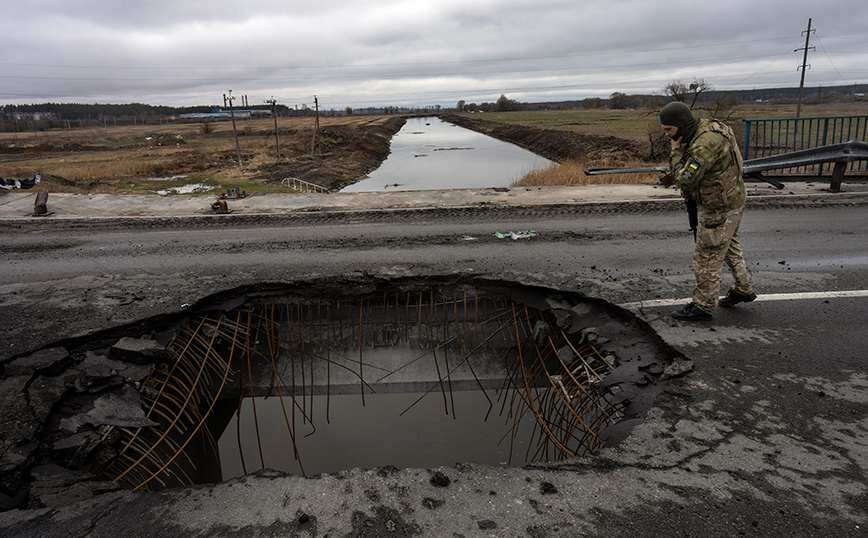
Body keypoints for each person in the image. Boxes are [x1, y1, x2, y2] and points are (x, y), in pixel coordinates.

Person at [659, 101, 756, 321]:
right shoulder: (712, 126)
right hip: (735, 196)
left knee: (707, 255)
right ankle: (743, 288)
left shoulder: (703, 145)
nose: (667, 135)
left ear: (682, 126)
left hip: (720, 207)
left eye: (669, 130)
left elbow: (685, 179)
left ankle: (703, 306)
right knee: (729, 244)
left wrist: (675, 154)